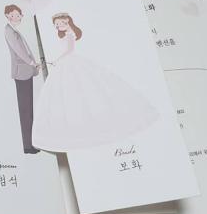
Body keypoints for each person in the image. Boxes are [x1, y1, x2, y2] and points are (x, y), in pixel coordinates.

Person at [32, 13, 158, 151]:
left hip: (68, 62)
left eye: (59, 23)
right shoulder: (66, 35)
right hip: (65, 63)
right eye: (56, 25)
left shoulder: (70, 35)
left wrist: (57, 60)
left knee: (84, 88)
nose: (58, 26)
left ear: (67, 20)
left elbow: (69, 50)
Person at [4, 4, 40, 154]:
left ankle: (30, 144)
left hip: (26, 71)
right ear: (8, 16)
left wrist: (33, 65)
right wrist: (31, 62)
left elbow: (25, 50)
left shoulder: (14, 31)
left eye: (19, 15)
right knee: (25, 110)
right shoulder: (9, 31)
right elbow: (19, 51)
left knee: (28, 109)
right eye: (14, 15)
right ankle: (27, 146)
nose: (17, 17)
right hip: (21, 73)